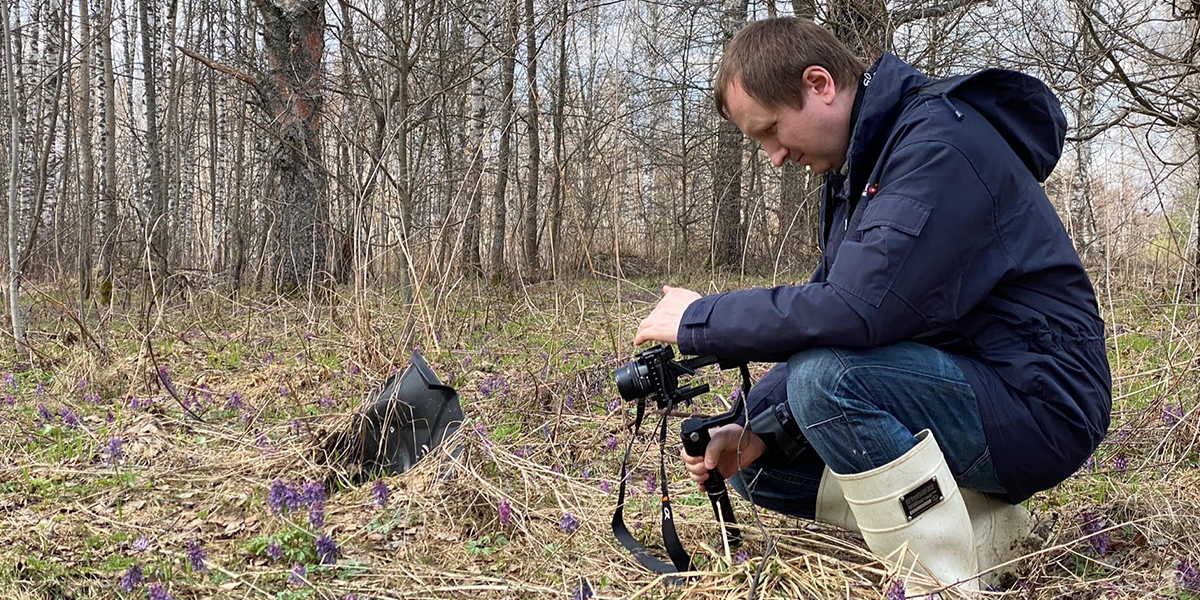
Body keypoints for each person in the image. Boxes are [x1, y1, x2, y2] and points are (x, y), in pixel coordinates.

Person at [632, 17, 1111, 595]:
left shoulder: (938, 147)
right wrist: (747, 425)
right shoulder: (865, 167)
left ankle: (946, 577)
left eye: (771, 131)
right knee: (757, 461)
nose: (774, 156)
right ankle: (980, 523)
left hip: (1039, 400)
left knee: (823, 385)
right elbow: (830, 316)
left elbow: (853, 311)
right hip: (971, 378)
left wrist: (703, 318)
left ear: (820, 84)